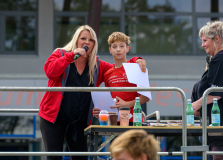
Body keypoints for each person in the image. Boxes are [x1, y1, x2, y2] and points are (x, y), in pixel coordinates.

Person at [38, 25, 146, 160]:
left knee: (82, 157)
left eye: (91, 40)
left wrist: (136, 60)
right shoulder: (60, 54)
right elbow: (50, 72)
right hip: (54, 118)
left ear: (94, 44)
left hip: (79, 122)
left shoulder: (98, 65)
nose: (87, 42)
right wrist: (71, 55)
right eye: (83, 38)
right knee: (54, 157)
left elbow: (118, 67)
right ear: (76, 40)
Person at [192, 20, 223, 159]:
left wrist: (195, 104)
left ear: (217, 39)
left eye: (205, 40)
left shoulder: (222, 59)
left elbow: (216, 92)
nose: (202, 45)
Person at [93, 32, 150, 124]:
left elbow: (146, 97)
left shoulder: (135, 67)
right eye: (114, 47)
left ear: (127, 49)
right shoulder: (107, 74)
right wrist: (100, 111)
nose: (118, 49)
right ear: (110, 50)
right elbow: (109, 100)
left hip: (134, 120)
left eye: (122, 46)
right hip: (115, 121)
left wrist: (127, 104)